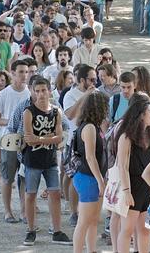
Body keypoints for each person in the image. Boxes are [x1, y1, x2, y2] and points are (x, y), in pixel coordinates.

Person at [22, 78, 71, 246]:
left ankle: (57, 230)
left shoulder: (56, 111)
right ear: (33, 92)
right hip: (32, 160)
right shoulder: (29, 112)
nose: (41, 94)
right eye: (38, 91)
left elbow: (59, 138)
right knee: (31, 195)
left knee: (55, 194)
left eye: (44, 90)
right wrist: (48, 138)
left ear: (50, 91)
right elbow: (28, 139)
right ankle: (30, 230)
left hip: (50, 160)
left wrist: (40, 138)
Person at [114, 95, 150, 252]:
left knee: (145, 229)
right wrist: (126, 192)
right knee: (127, 230)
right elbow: (122, 167)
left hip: (147, 188)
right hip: (132, 187)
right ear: (141, 115)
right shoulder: (126, 137)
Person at [0, 59, 30, 223]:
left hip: (27, 141)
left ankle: (24, 211)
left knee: (24, 177)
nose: (24, 75)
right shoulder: (3, 94)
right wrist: (14, 122)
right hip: (9, 140)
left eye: (26, 72)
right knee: (7, 177)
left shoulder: (30, 92)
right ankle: (8, 211)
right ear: (13, 73)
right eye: (21, 72)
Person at [72, 92, 109, 253]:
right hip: (88, 177)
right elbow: (90, 157)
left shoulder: (94, 126)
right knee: (84, 221)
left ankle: (91, 250)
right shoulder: (89, 127)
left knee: (93, 220)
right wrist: (101, 181)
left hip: (92, 177)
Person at [63, 65, 98, 227]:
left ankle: (87, 208)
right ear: (82, 80)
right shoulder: (70, 95)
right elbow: (69, 115)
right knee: (74, 177)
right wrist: (85, 96)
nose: (94, 82)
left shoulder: (96, 93)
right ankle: (73, 212)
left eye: (95, 79)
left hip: (92, 138)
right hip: (75, 142)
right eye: (91, 79)